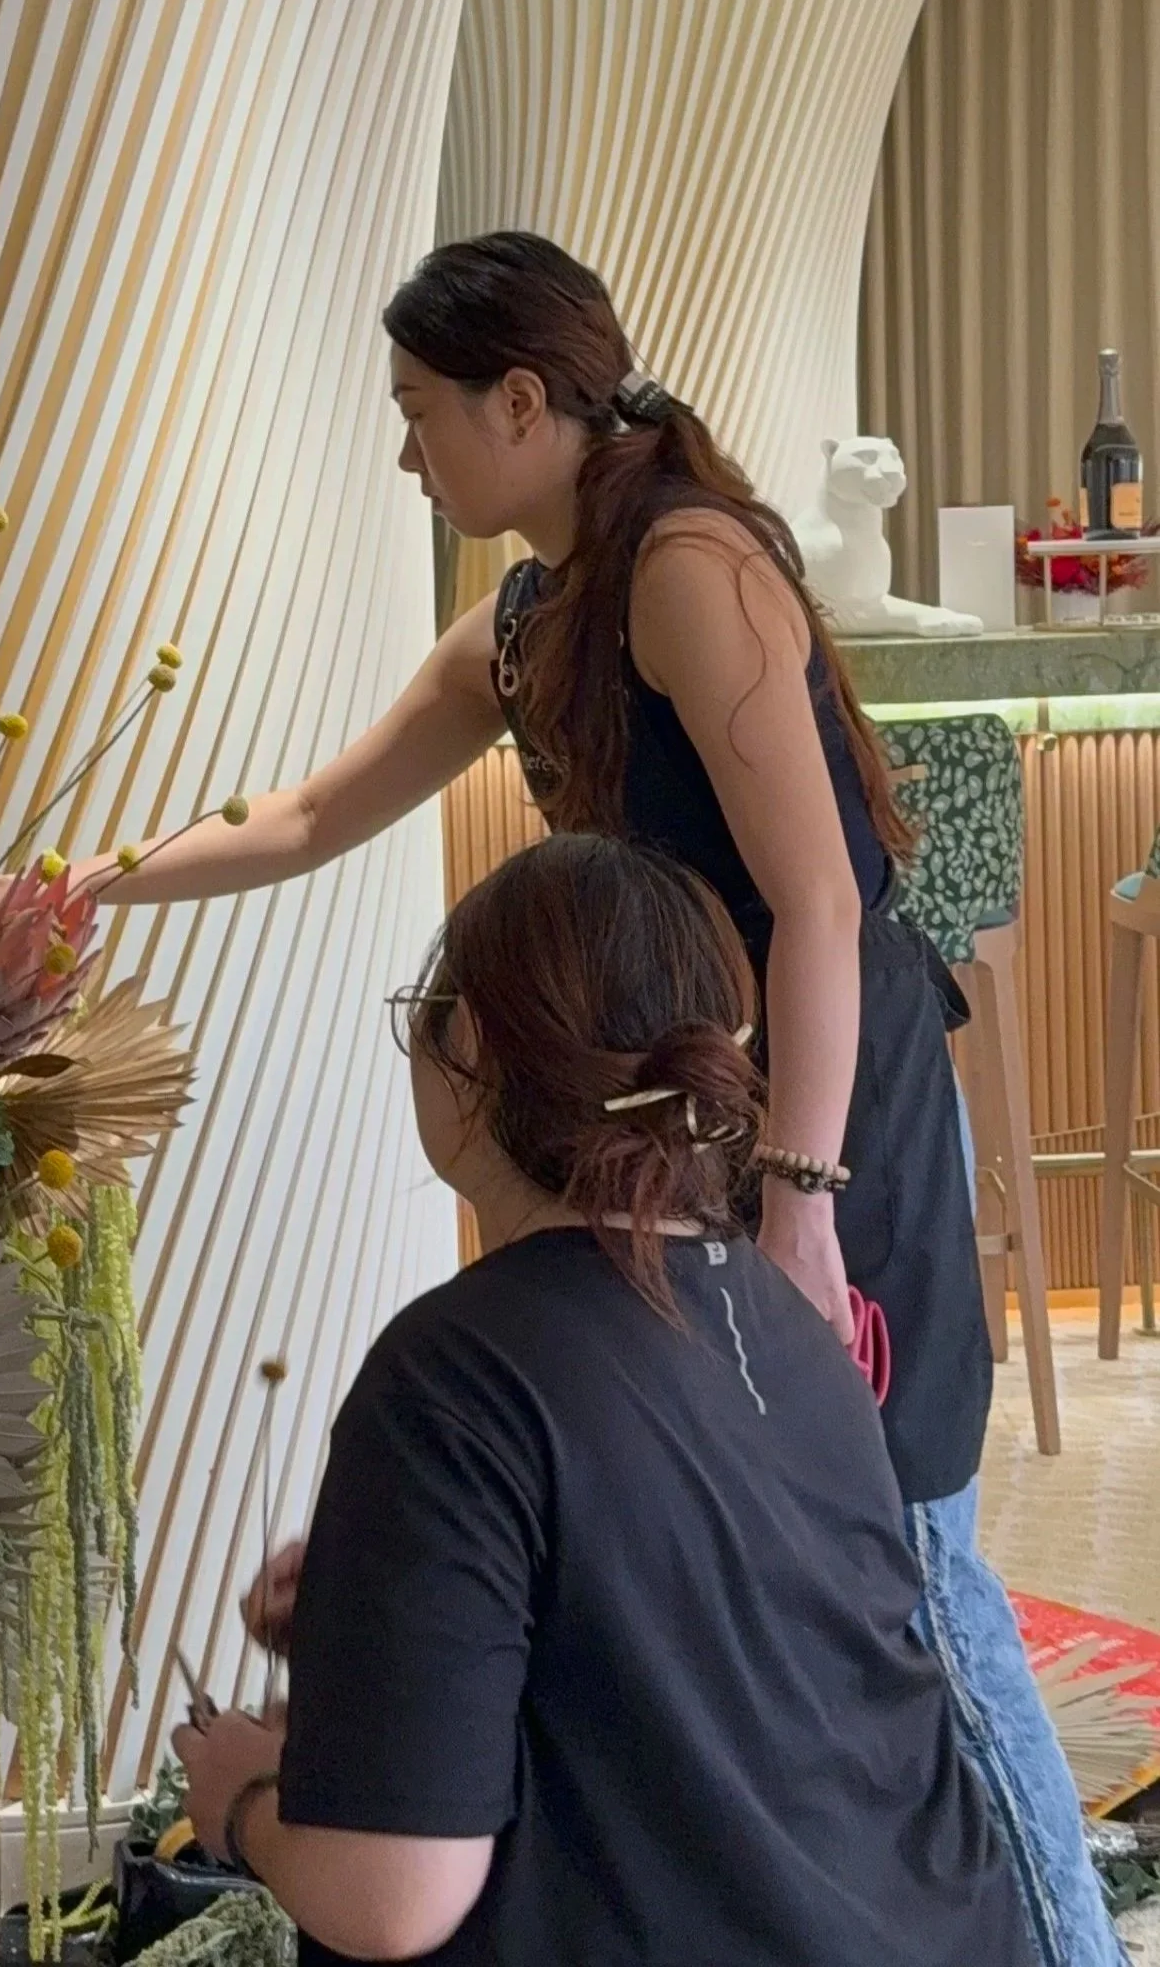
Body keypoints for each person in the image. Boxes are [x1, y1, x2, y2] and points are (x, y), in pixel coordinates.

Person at [104, 233, 1117, 1965]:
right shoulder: (527, 615)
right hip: (695, 1119)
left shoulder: (688, 566)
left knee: (926, 1578)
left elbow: (818, 904)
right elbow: (300, 818)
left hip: (819, 1107)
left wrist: (801, 1201)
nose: (404, 450)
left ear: (524, 399)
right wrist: (84, 883)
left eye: (422, 410)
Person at [171, 836, 1034, 1967]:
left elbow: (392, 1898)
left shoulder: (456, 1370)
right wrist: (395, 1617)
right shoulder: (795, 1333)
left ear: (469, 1039)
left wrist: (247, 1800)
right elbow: (707, 1665)